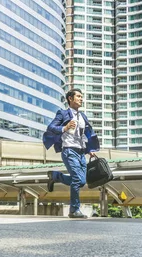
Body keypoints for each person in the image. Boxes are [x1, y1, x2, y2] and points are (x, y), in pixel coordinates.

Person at [42, 88, 100, 218]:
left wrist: (89, 150)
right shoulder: (62, 113)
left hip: (81, 152)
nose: (81, 99)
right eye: (78, 96)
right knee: (76, 179)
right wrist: (65, 127)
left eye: (81, 96)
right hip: (69, 150)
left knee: (81, 181)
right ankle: (74, 210)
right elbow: (51, 127)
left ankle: (55, 176)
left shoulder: (82, 116)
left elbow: (86, 134)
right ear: (70, 98)